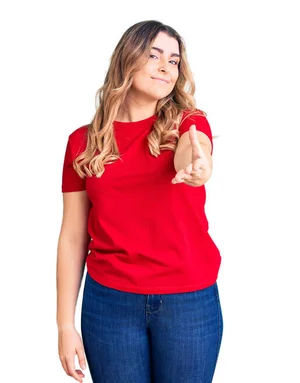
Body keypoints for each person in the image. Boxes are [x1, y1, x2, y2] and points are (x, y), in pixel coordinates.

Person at [56, 20, 223, 383]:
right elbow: (72, 236)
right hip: (109, 305)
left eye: (174, 60)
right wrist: (65, 325)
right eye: (154, 55)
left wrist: (198, 165)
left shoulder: (188, 125)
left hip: (188, 301)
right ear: (127, 59)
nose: (166, 67)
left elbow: (193, 153)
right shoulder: (81, 144)